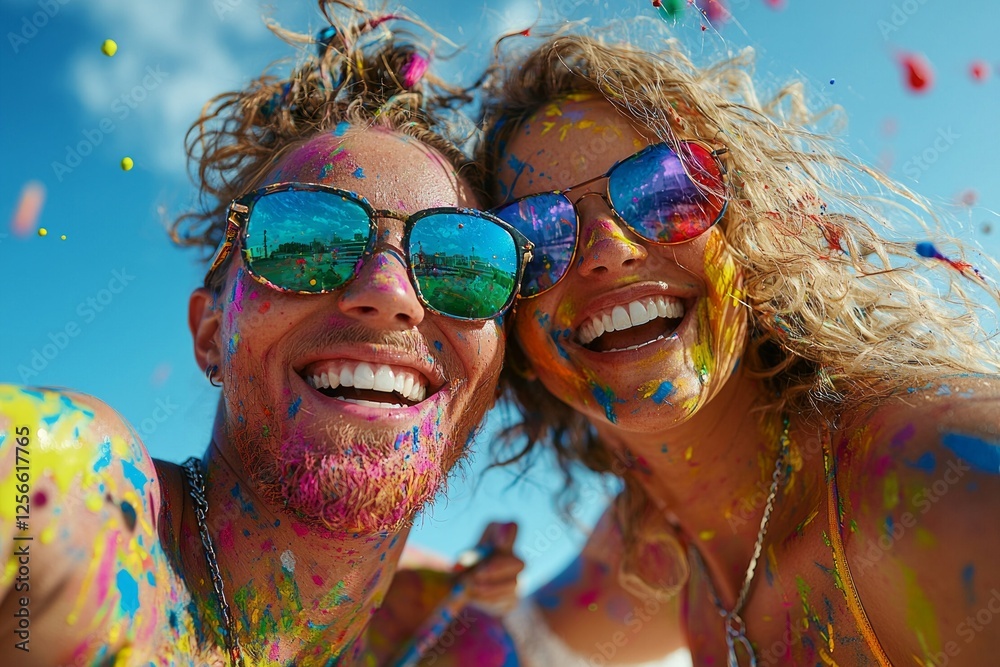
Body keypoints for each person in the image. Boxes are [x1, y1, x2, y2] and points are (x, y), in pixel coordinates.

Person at [0, 3, 528, 665]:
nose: (390, 293)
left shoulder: (450, 641)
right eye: (306, 239)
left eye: (463, 264)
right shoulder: (77, 501)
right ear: (209, 331)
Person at [477, 29, 1000, 667]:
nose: (609, 248)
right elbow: (514, 641)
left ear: (747, 228)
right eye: (537, 233)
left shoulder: (941, 482)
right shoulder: (653, 547)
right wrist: (477, 586)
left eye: (665, 189)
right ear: (502, 319)